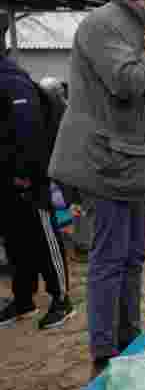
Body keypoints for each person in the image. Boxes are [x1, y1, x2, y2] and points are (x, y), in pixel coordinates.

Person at [49, 0, 145, 375]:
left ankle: (129, 337)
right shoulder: (103, 24)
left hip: (133, 163)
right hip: (107, 164)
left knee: (133, 257)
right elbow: (125, 80)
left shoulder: (143, 26)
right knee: (110, 258)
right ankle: (104, 354)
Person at [0, 56, 75, 330]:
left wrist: (25, 173)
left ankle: (61, 299)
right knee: (15, 241)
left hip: (29, 178)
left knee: (44, 235)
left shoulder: (12, 81)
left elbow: (28, 130)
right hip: (7, 179)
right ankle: (23, 299)